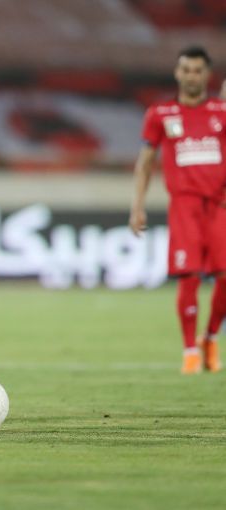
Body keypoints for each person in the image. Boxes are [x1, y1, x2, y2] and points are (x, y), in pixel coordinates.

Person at [130, 46, 226, 374]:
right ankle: (190, 352)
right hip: (184, 205)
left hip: (220, 204)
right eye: (186, 70)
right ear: (177, 73)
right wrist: (137, 207)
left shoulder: (221, 111)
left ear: (207, 74)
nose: (192, 76)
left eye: (198, 70)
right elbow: (145, 163)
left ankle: (210, 337)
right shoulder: (160, 113)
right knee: (189, 275)